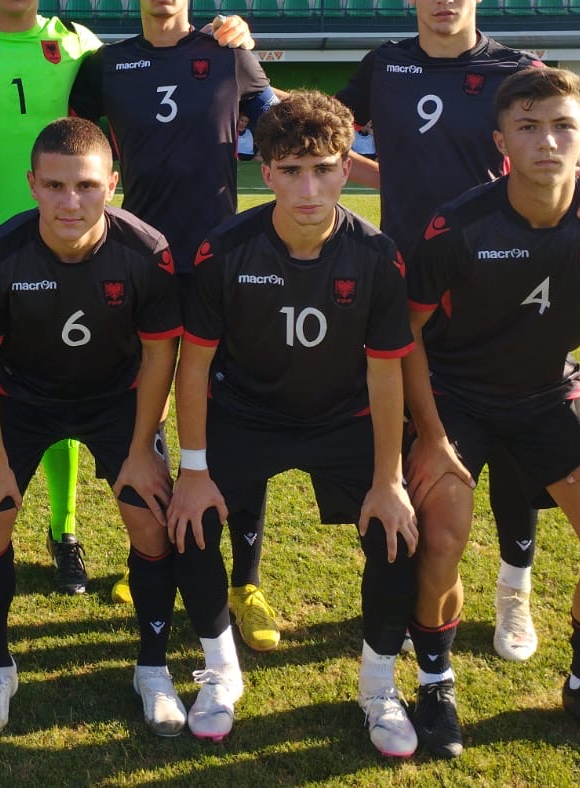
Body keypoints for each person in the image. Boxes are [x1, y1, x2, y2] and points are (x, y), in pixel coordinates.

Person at [0, 0, 251, 593]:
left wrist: (233, 35)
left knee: (67, 382)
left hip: (75, 245)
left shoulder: (80, 47)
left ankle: (65, 529)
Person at [337, 0, 580, 663]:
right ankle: (410, 605)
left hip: (509, 287)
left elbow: (561, 144)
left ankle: (514, 592)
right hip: (409, 292)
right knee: (430, 463)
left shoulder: (518, 73)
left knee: (517, 468)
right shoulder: (385, 65)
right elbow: (333, 137)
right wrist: (389, 177)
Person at [403, 67, 580, 768]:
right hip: (457, 397)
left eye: (563, 127)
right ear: (501, 142)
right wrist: (428, 437)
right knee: (445, 531)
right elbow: (408, 337)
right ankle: (435, 686)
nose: (547, 142)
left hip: (550, 396)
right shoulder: (458, 225)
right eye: (528, 127)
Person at [166, 92, 420, 752]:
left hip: (343, 418)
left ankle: (378, 685)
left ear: (347, 168)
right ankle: (218, 672)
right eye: (290, 170)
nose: (309, 188)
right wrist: (193, 470)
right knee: (190, 523)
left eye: (325, 169)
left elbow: (386, 371)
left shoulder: (377, 255)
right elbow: (192, 367)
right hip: (246, 413)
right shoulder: (224, 251)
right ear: (265, 170)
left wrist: (388, 479)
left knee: (396, 532)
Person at [69, 0, 275, 613]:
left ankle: (244, 581)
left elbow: (280, 127)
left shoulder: (225, 53)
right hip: (140, 261)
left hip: (221, 261)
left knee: (234, 419)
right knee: (144, 417)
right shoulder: (105, 66)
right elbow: (74, 150)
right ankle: (147, 552)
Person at [0, 117, 183, 738]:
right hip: (23, 400)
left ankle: (153, 667)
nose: (70, 202)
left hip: (116, 400)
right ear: (31, 183)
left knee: (148, 518)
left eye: (85, 185)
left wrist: (142, 448)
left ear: (112, 182)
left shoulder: (147, 252)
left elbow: (161, 351)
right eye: (54, 186)